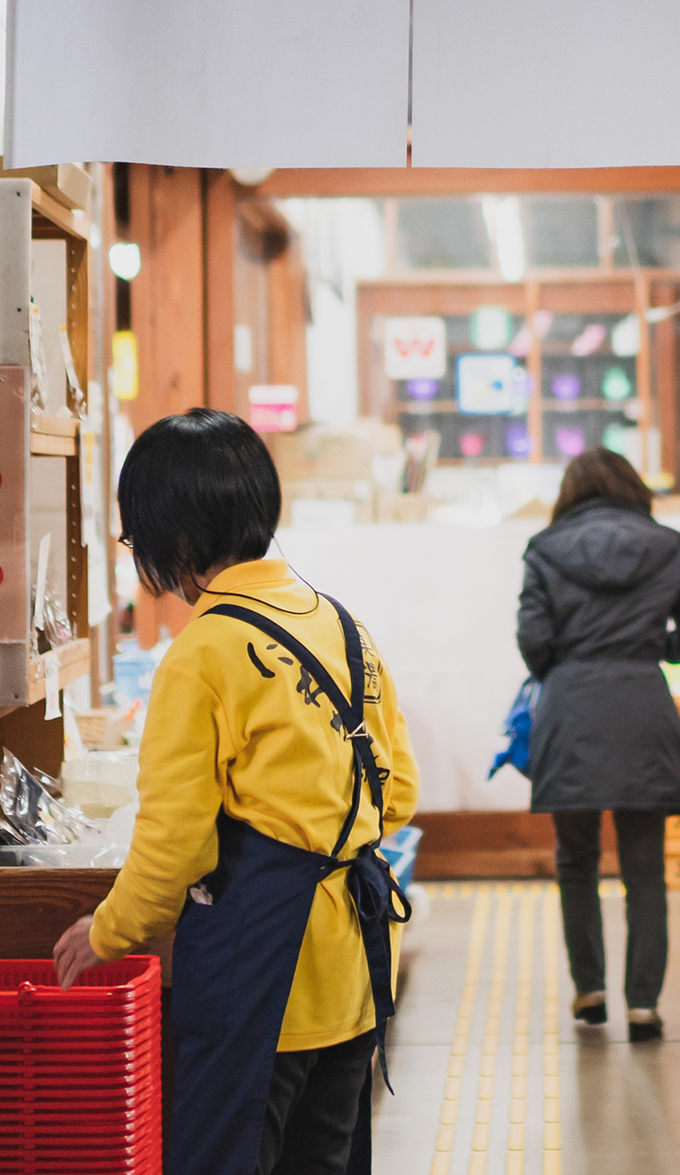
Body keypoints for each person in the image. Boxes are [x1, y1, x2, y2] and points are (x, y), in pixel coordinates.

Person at [55, 408, 418, 1175]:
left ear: (174, 539)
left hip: (257, 981)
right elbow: (398, 793)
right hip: (352, 969)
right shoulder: (343, 628)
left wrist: (107, 931)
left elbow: (175, 842)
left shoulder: (202, 655)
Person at [514, 448, 680, 1043]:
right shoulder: (667, 545)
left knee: (575, 859)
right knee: (644, 866)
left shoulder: (545, 549)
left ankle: (590, 989)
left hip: (571, 707)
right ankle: (644, 1004)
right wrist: (651, 645)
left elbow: (533, 640)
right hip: (641, 706)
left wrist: (571, 660)